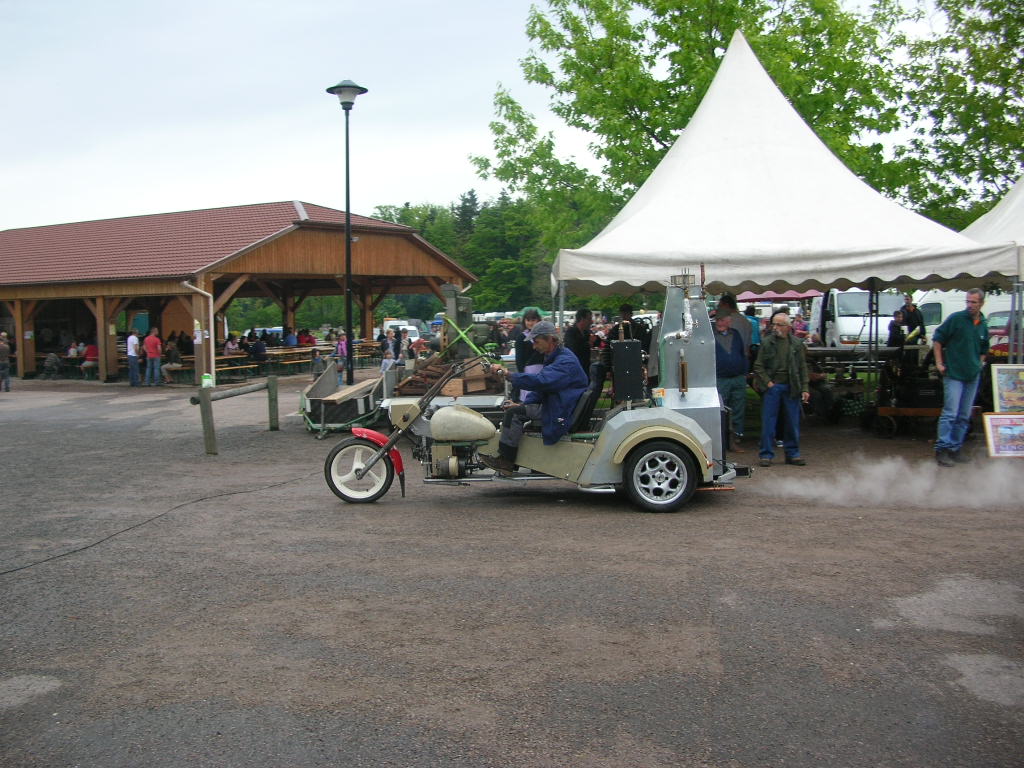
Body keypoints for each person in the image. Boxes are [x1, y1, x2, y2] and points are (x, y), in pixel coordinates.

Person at [481, 321, 588, 475]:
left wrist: (509, 375)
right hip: (557, 403)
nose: (534, 346)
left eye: (536, 342)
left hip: (560, 409)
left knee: (514, 414)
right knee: (516, 410)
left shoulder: (565, 362)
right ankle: (512, 457)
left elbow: (541, 381)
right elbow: (541, 387)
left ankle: (506, 462)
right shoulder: (556, 357)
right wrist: (522, 403)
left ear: (550, 339)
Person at [932, 288, 989, 467]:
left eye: (974, 302)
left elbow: (984, 349)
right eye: (968, 301)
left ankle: (955, 449)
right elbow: (937, 339)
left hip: (972, 375)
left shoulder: (983, 324)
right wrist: (939, 363)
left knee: (964, 415)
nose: (970, 305)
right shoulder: (956, 319)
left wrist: (979, 363)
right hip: (954, 373)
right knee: (950, 413)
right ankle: (942, 450)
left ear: (981, 303)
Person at [753, 313, 810, 467]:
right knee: (768, 422)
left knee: (792, 422)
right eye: (774, 324)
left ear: (787, 327)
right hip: (773, 387)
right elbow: (758, 366)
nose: (775, 327)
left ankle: (793, 454)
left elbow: (802, 367)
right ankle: (766, 455)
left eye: (779, 325)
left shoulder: (797, 344)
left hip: (791, 387)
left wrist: (804, 388)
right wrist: (768, 383)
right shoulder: (767, 342)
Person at [713, 313, 748, 452]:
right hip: (721, 378)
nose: (719, 322)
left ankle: (735, 439)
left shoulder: (736, 334)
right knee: (722, 410)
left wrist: (745, 373)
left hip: (738, 378)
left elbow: (742, 353)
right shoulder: (711, 335)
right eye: (717, 320)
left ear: (729, 321)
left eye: (722, 319)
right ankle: (722, 441)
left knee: (738, 409)